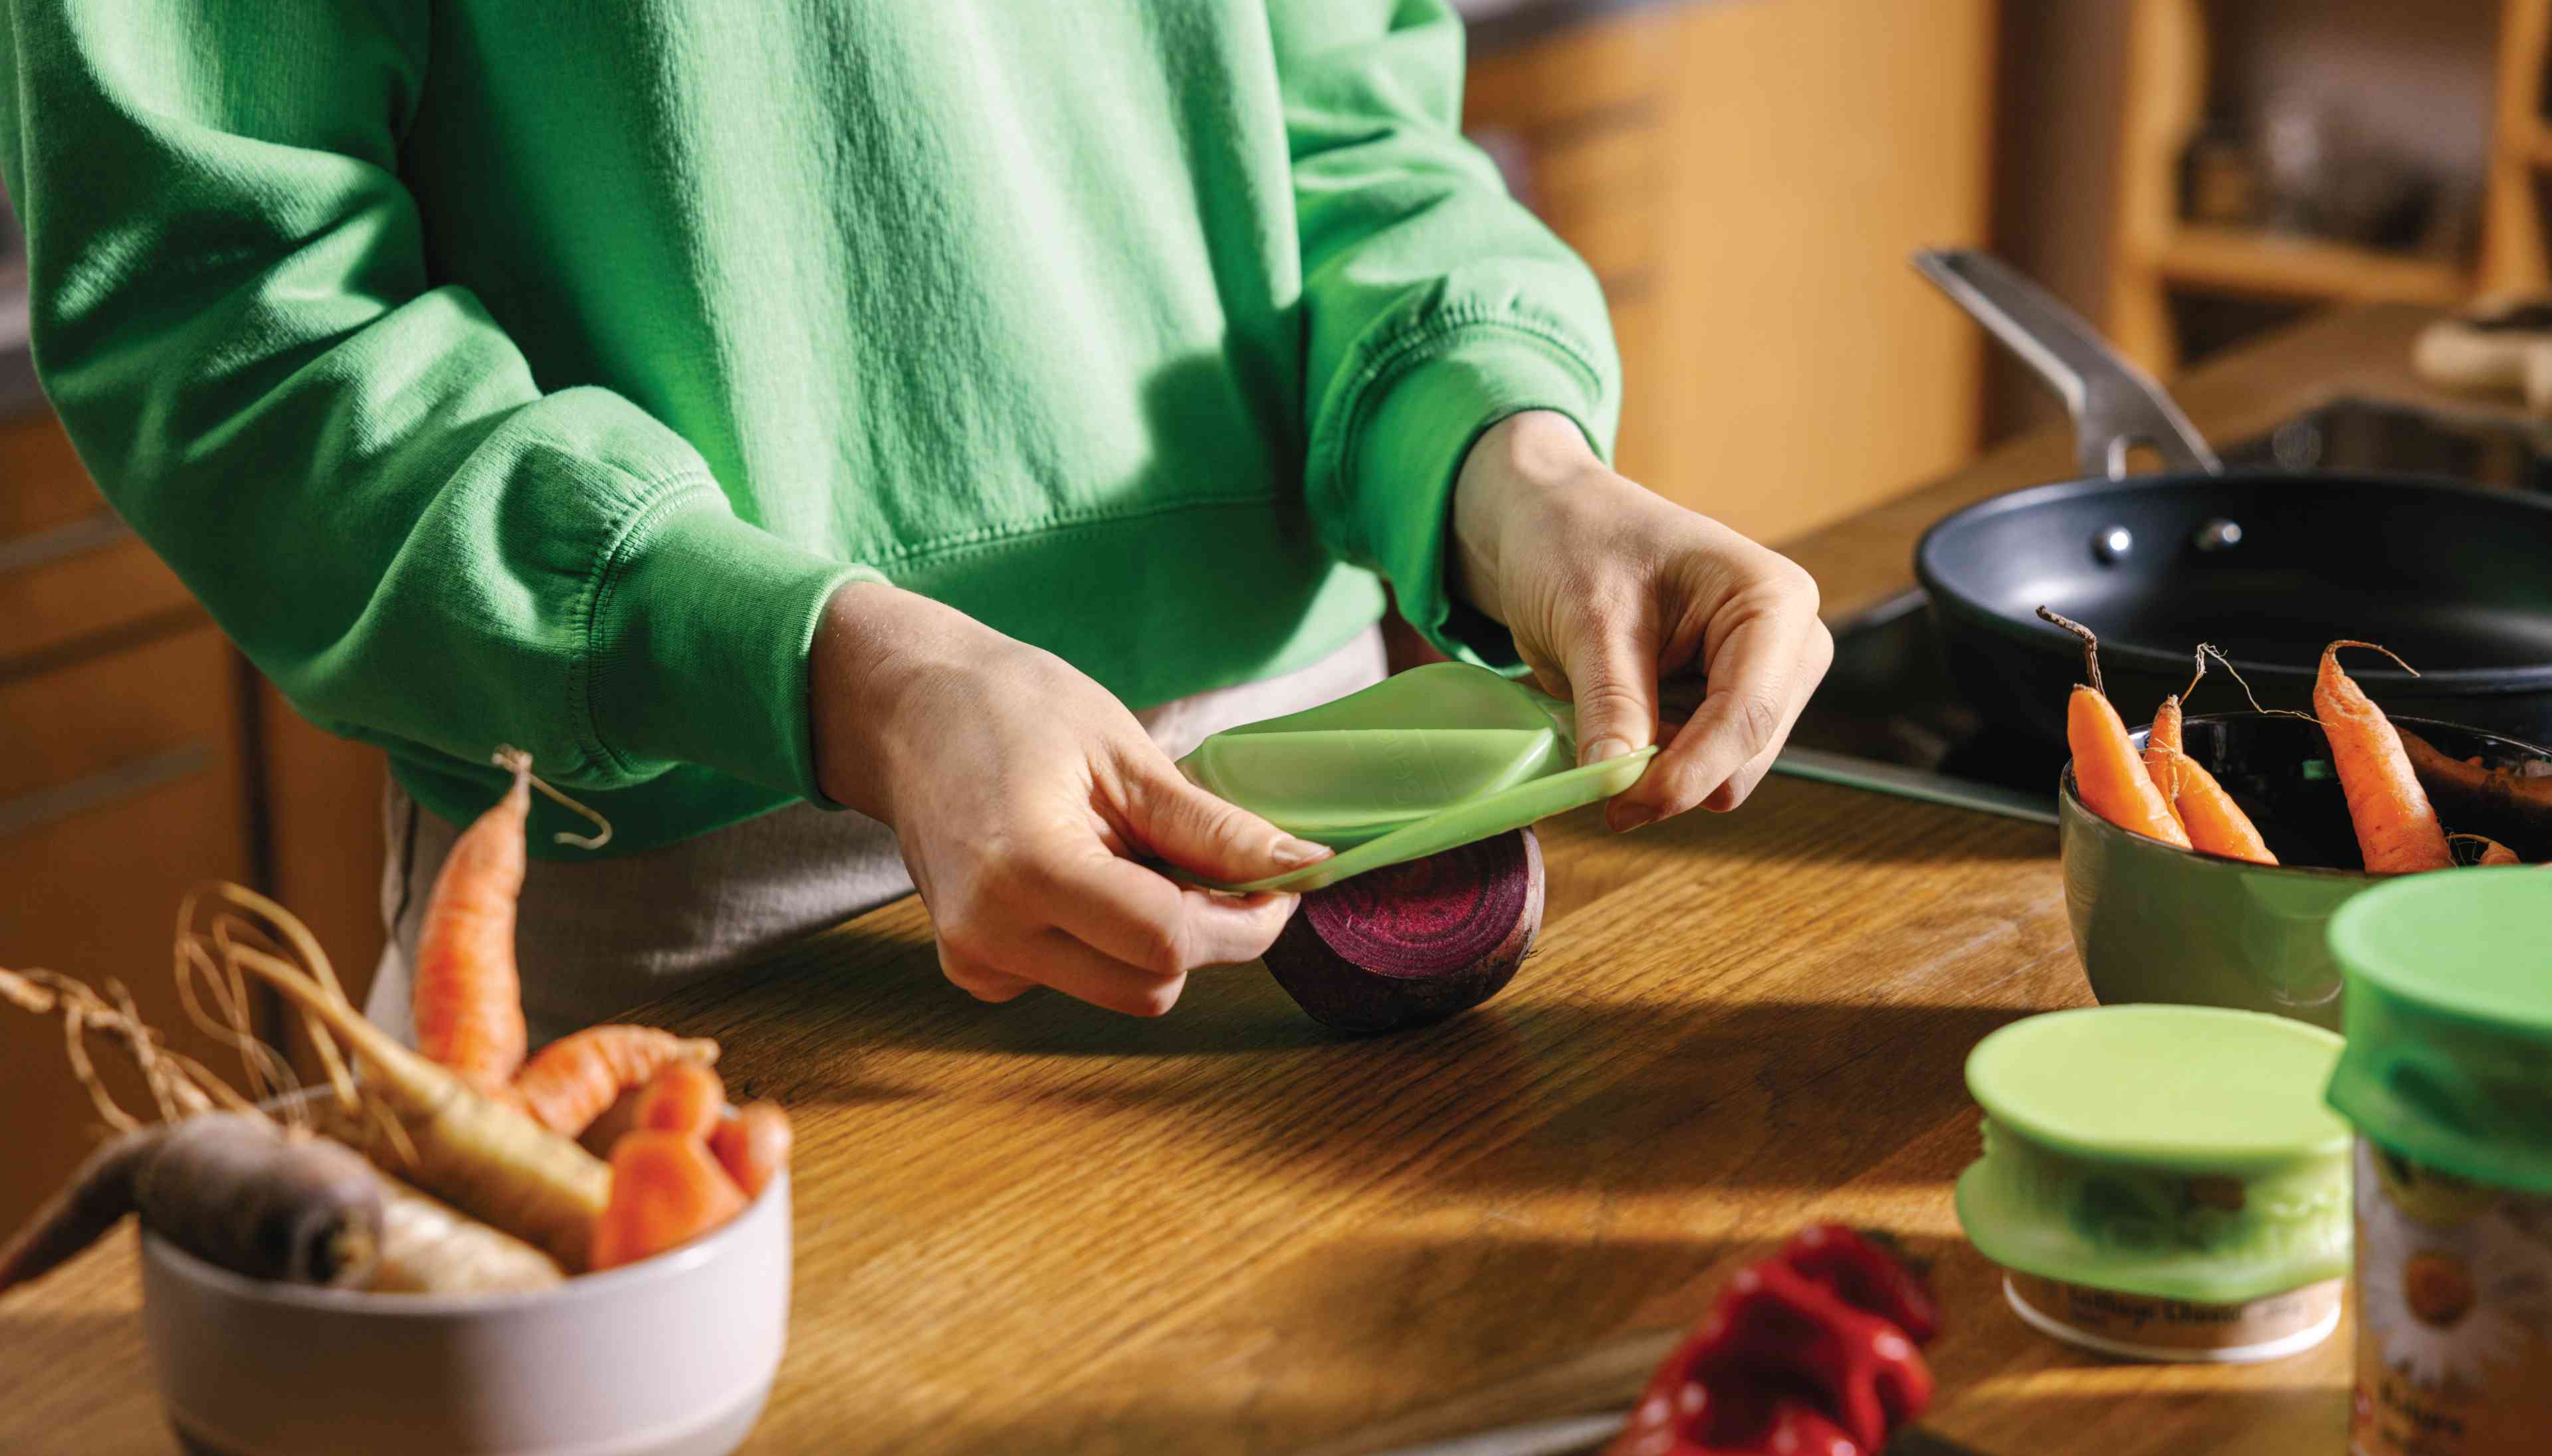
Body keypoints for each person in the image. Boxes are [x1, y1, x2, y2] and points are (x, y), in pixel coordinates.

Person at [1, 1, 1830, 1043]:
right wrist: (848, 676)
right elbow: (233, 323)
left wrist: (1513, 458)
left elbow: (1339, 123)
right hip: (705, 910)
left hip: (1325, 811)